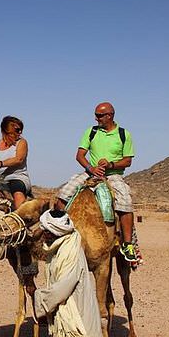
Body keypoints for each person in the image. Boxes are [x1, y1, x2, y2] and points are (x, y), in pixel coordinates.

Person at [56, 102, 140, 263]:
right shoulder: (91, 132)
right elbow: (80, 155)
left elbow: (128, 161)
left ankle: (128, 244)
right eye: (96, 115)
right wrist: (91, 168)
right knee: (64, 194)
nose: (96, 118)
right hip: (90, 173)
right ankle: (58, 232)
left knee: (125, 200)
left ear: (110, 115)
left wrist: (111, 165)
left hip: (113, 175)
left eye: (100, 115)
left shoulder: (123, 134)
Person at [0, 115, 31, 209]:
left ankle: (20, 217)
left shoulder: (21, 142)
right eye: (17, 130)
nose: (20, 133)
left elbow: (19, 159)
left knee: (17, 189)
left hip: (16, 177)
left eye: (21, 130)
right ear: (6, 131)